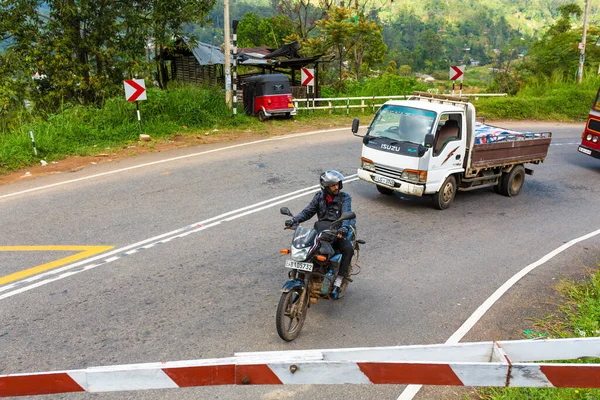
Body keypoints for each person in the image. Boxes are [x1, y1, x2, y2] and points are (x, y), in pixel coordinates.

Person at [285, 170, 356, 299]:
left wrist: (344, 228)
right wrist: (294, 220)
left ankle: (338, 281)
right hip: (320, 231)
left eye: (338, 184)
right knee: (308, 250)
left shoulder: (344, 198)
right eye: (333, 185)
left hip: (337, 231)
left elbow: (347, 213)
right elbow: (307, 211)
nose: (337, 187)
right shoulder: (319, 197)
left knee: (348, 249)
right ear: (326, 187)